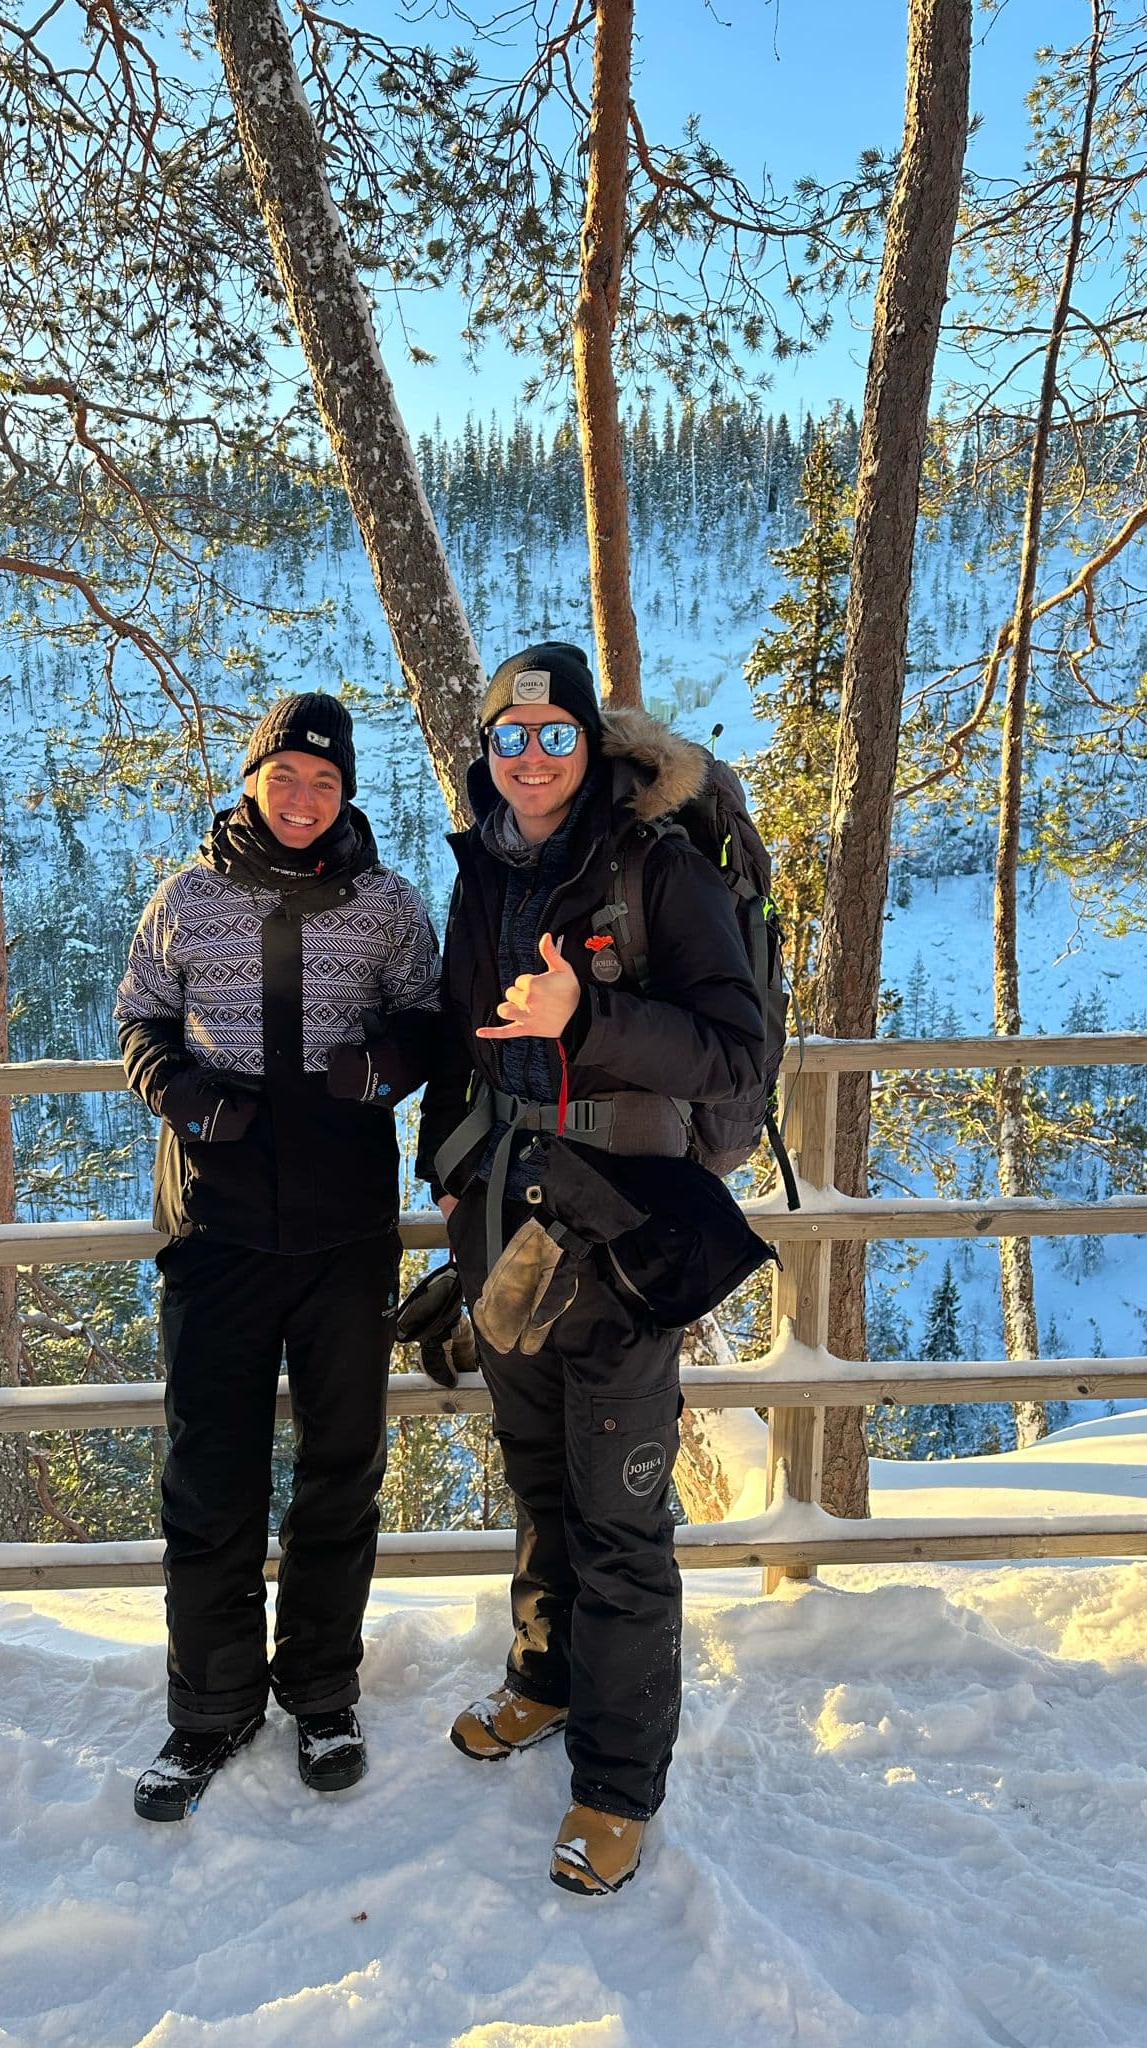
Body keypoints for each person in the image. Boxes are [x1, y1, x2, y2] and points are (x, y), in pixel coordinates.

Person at [417, 642, 772, 1895]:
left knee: (620, 1517)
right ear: (485, 753)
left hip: (623, 1234)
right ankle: (544, 1678)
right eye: (509, 739)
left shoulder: (659, 870)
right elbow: (467, 1049)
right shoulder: (483, 873)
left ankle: (618, 1784)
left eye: (553, 736)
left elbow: (737, 1053)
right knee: (541, 1489)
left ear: (590, 746)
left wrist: (592, 1018)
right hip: (506, 1232)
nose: (529, 758)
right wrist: (450, 1177)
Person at [116, 692, 441, 1822]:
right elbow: (138, 1019)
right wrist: (184, 1093)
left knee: (340, 1469)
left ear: (347, 792)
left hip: (346, 1232)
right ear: (252, 779)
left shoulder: (389, 906)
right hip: (216, 1230)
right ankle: (209, 1710)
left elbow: (429, 1020)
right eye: (284, 777)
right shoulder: (187, 898)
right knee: (212, 1480)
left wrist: (383, 1069)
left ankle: (321, 1690)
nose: (303, 799)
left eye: (325, 781)